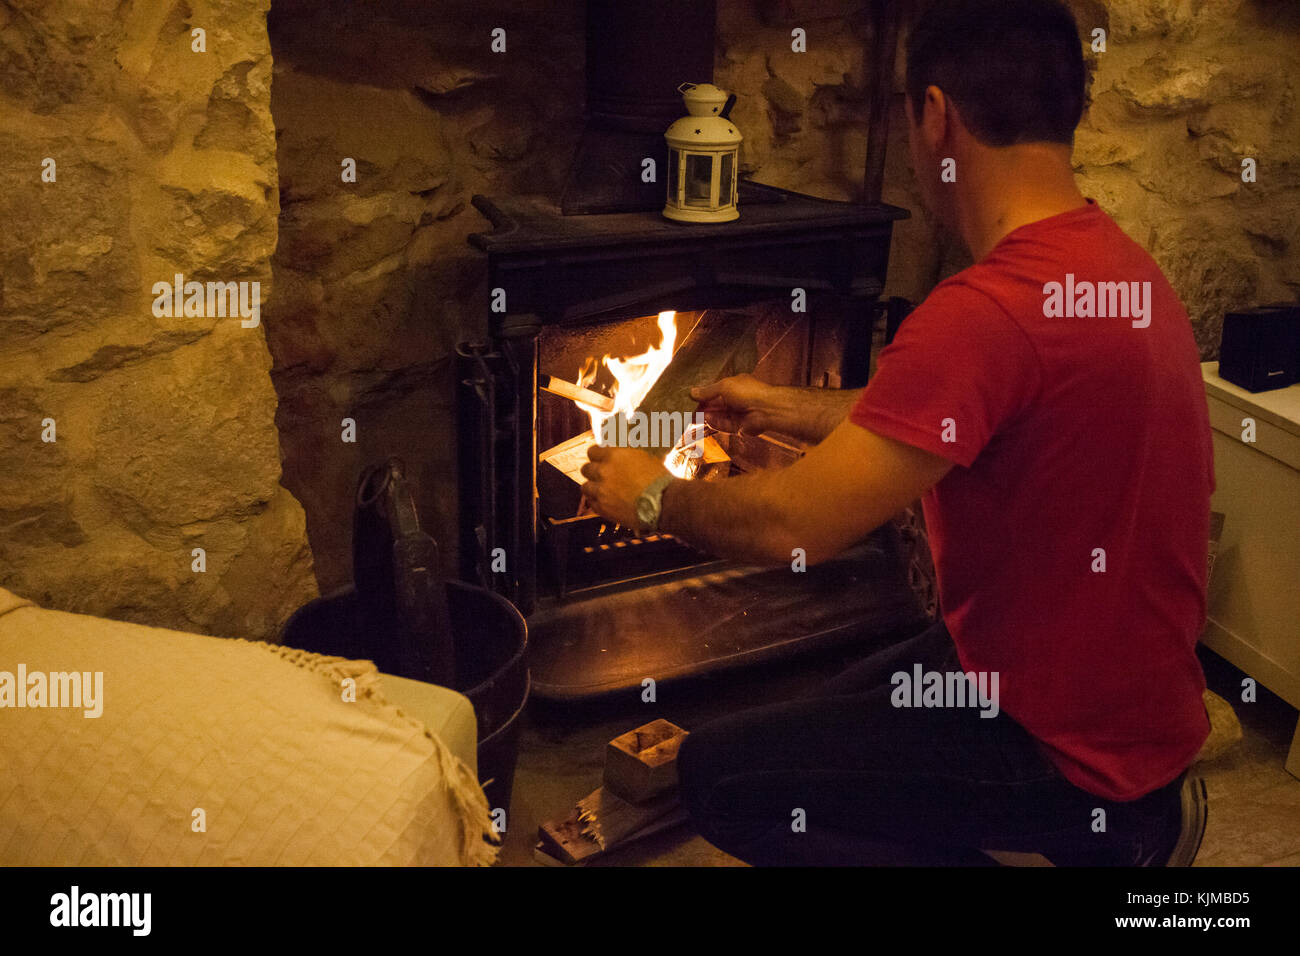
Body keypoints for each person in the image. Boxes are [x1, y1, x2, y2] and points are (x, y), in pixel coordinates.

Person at [579, 0, 1213, 866]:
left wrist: (651, 493)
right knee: (828, 711)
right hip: (1113, 698)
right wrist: (790, 407)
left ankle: (1099, 848)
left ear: (937, 115)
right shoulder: (1117, 270)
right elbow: (981, 417)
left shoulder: (984, 312)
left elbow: (792, 526)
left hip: (1065, 753)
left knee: (718, 780)